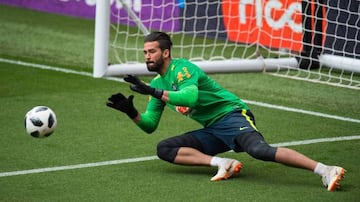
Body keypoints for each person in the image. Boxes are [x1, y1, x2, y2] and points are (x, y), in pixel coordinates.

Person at [106, 31, 345, 191]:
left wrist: (152, 92)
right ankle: (223, 163)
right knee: (165, 148)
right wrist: (131, 112)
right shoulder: (157, 84)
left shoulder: (182, 69)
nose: (147, 56)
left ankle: (325, 170)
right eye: (146, 52)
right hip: (212, 128)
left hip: (232, 115)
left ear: (165, 52)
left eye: (152, 51)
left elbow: (190, 97)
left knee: (258, 150)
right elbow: (149, 125)